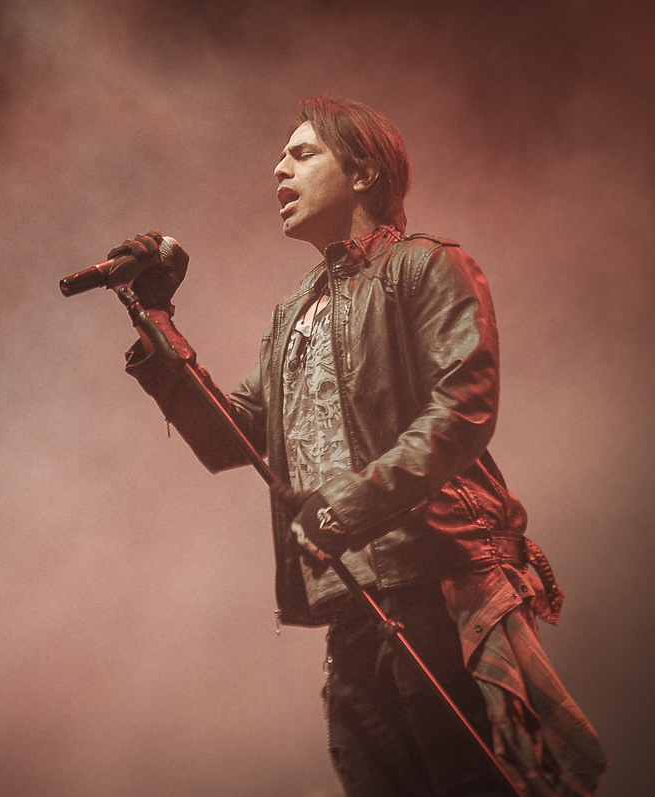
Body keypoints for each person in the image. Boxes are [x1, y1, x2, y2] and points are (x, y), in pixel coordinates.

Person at [110, 97, 608, 796]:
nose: (279, 169)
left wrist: (347, 505)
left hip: (437, 583)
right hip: (349, 609)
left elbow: (463, 409)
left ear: (365, 172)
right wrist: (156, 317)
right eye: (280, 157)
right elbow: (232, 439)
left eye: (302, 153)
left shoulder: (426, 265)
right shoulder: (292, 313)